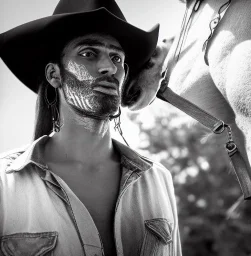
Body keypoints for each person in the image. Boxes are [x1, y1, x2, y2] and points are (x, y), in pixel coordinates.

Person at [0, 0, 182, 255]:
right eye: (88, 53)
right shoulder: (4, 185)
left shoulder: (157, 180)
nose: (109, 67)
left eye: (116, 57)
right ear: (54, 75)